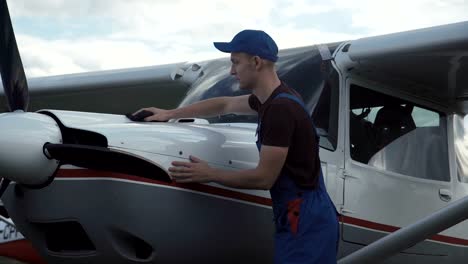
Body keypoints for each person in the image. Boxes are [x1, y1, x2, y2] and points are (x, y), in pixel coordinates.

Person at [135, 29, 339, 263]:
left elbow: (263, 179)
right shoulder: (273, 99)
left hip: (306, 218)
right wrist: (170, 113)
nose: (231, 71)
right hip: (298, 213)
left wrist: (209, 174)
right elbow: (225, 104)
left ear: (256, 62)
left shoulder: (281, 111)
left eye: (235, 62)